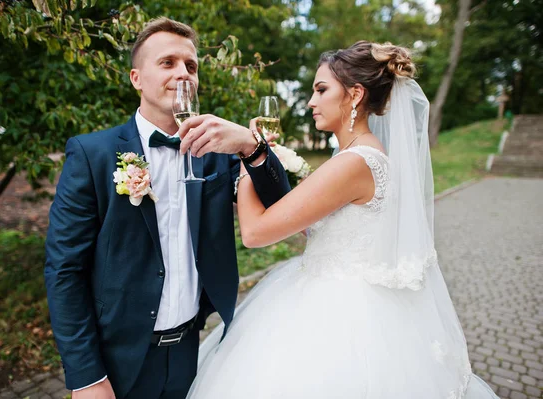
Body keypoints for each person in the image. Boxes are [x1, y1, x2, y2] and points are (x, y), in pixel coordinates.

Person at [184, 41, 499, 399]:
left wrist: (245, 154)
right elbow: (306, 224)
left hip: (340, 317)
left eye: (321, 90)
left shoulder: (355, 162)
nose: (311, 102)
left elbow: (255, 233)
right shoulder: (355, 155)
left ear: (355, 94)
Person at [44, 17, 290, 399]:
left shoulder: (218, 154)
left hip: (192, 348)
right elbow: (64, 270)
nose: (184, 74)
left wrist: (250, 145)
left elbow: (280, 207)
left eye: (191, 66)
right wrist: (86, 377)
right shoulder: (92, 154)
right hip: (117, 359)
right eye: (168, 63)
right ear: (136, 78)